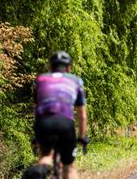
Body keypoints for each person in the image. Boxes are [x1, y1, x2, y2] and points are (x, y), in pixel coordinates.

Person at [30, 51, 87, 179]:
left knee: (45, 157)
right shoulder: (76, 81)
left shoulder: (41, 79)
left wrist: (36, 135)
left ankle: (38, 172)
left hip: (44, 123)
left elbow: (36, 108)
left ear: (50, 67)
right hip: (65, 123)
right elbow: (82, 115)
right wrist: (82, 137)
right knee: (69, 166)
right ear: (69, 68)